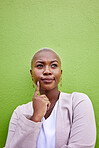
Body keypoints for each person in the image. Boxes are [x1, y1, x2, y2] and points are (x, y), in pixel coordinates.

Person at [5, 48, 96, 148]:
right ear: (32, 74)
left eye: (54, 65)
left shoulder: (78, 102)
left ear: (60, 73)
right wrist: (35, 118)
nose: (47, 71)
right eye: (40, 66)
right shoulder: (20, 112)